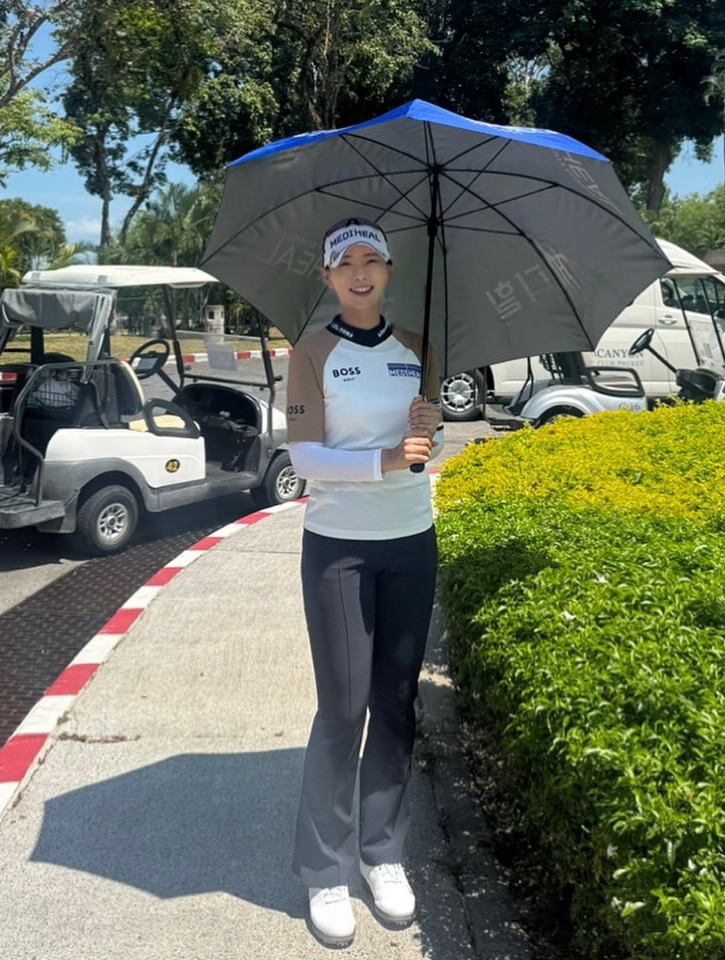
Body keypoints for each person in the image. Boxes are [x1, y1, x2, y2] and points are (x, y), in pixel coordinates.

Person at [285, 217, 444, 947]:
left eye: (370, 259)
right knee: (344, 709)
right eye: (343, 260)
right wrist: (386, 459)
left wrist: (428, 424)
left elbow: (424, 443)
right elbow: (305, 458)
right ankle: (324, 870)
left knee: (396, 705)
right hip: (339, 548)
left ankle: (383, 854)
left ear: (388, 271)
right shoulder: (312, 352)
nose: (359, 271)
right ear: (327, 277)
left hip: (412, 539)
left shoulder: (418, 347)